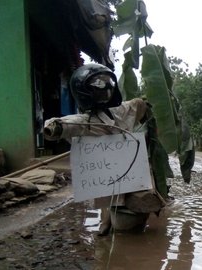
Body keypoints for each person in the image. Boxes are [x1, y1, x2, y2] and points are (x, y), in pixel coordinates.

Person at [43, 63, 171, 235]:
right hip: (107, 177)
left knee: (129, 212)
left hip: (130, 175)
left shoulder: (121, 111)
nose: (105, 89)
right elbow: (65, 124)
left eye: (107, 84)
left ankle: (117, 231)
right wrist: (53, 128)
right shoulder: (86, 122)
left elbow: (138, 105)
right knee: (108, 202)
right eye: (99, 86)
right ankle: (107, 226)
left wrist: (148, 108)